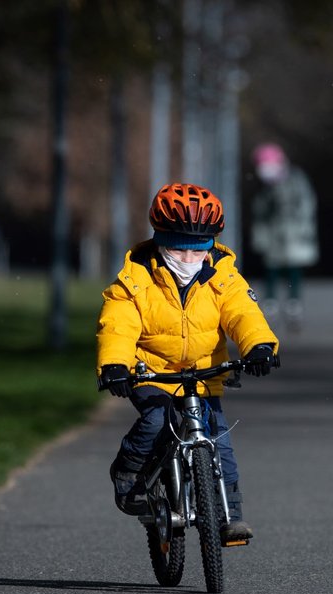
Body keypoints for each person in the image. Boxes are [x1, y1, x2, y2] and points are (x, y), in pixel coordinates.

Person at [97, 182, 280, 544]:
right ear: (159, 240)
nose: (188, 260)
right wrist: (115, 365)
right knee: (155, 420)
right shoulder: (135, 281)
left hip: (202, 375)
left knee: (220, 444)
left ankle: (231, 516)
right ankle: (129, 472)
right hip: (153, 372)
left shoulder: (223, 278)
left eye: (198, 250)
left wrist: (259, 345)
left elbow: (243, 314)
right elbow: (117, 325)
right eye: (179, 250)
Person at [249, 143, 319, 330]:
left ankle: (293, 302)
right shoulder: (263, 188)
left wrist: (303, 227)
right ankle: (270, 301)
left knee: (293, 266)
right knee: (271, 266)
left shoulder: (295, 179)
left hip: (294, 231)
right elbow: (260, 211)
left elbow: (305, 203)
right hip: (273, 233)